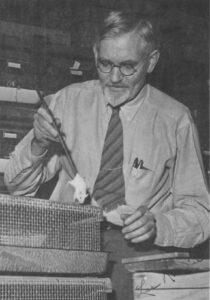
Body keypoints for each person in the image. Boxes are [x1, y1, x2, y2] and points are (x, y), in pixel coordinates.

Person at [4, 10, 209, 300]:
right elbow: (17, 186)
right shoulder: (66, 102)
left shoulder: (176, 120)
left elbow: (201, 213)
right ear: (95, 54)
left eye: (128, 67)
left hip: (139, 253)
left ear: (151, 61)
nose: (114, 77)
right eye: (105, 64)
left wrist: (158, 224)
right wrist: (38, 144)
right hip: (69, 243)